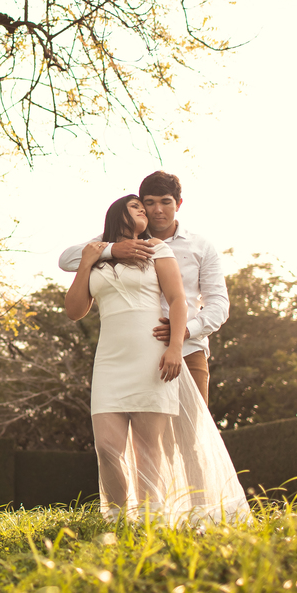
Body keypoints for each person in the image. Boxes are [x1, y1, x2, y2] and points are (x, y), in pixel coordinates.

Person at [65, 195, 249, 524]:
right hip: (110, 360)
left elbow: (178, 300)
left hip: (152, 355)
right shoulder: (95, 252)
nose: (146, 212)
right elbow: (75, 311)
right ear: (117, 212)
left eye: (147, 207)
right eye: (138, 206)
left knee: (148, 450)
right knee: (107, 447)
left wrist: (175, 347)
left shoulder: (158, 250)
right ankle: (120, 517)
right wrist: (92, 259)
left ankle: (151, 521)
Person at [59, 171, 228, 404]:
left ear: (178, 204)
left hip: (188, 351)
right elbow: (67, 260)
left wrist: (184, 331)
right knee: (147, 436)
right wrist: (112, 250)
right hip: (136, 352)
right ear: (141, 205)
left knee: (193, 435)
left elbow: (219, 303)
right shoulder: (115, 241)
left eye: (165, 202)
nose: (157, 210)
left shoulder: (201, 246)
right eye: (150, 203)